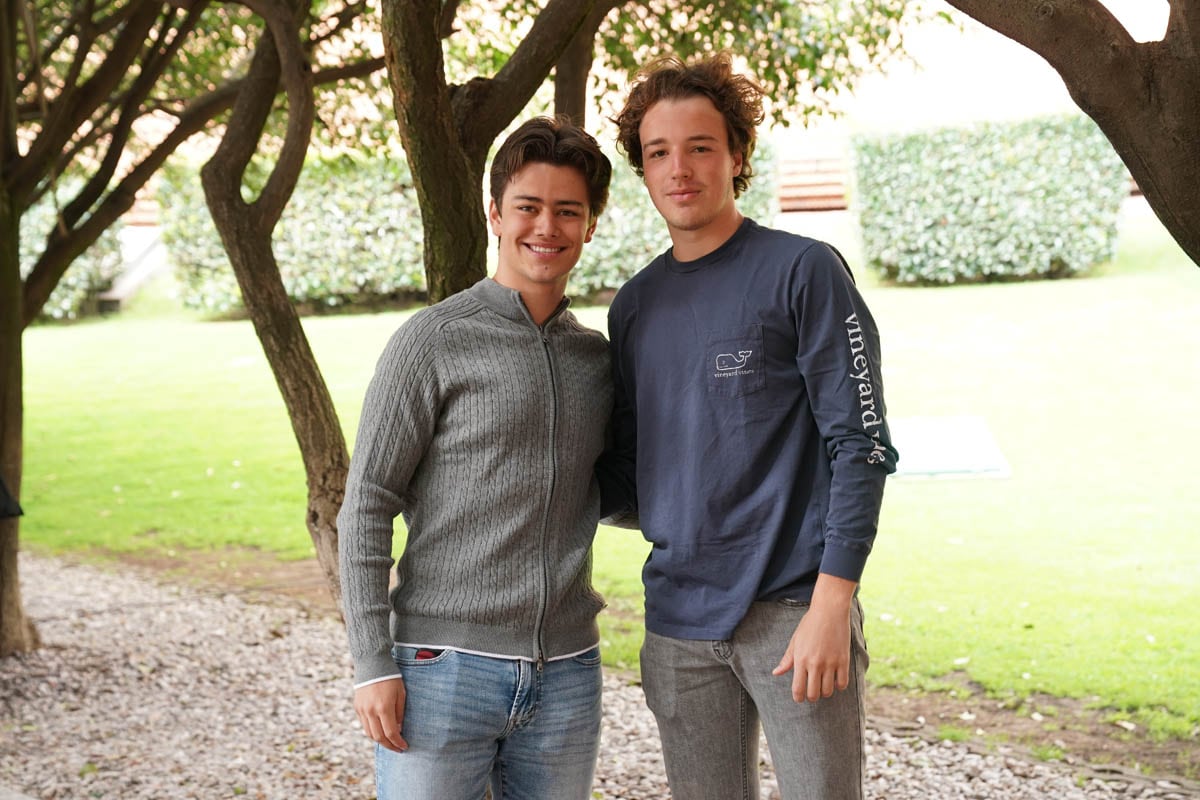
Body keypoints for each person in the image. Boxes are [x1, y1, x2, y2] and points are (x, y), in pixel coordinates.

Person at [607, 52, 899, 800]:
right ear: (642, 170)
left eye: (700, 147)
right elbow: (633, 471)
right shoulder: (634, 306)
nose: (680, 169)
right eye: (658, 153)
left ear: (736, 155)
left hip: (795, 613)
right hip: (678, 625)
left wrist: (834, 603)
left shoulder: (803, 271)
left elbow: (860, 445)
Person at [337, 116, 614, 800]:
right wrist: (373, 663)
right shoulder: (431, 342)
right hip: (441, 669)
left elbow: (624, 486)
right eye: (528, 206)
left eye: (567, 211)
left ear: (591, 225)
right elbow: (367, 502)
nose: (546, 227)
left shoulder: (598, 361)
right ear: (495, 213)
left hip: (568, 675)